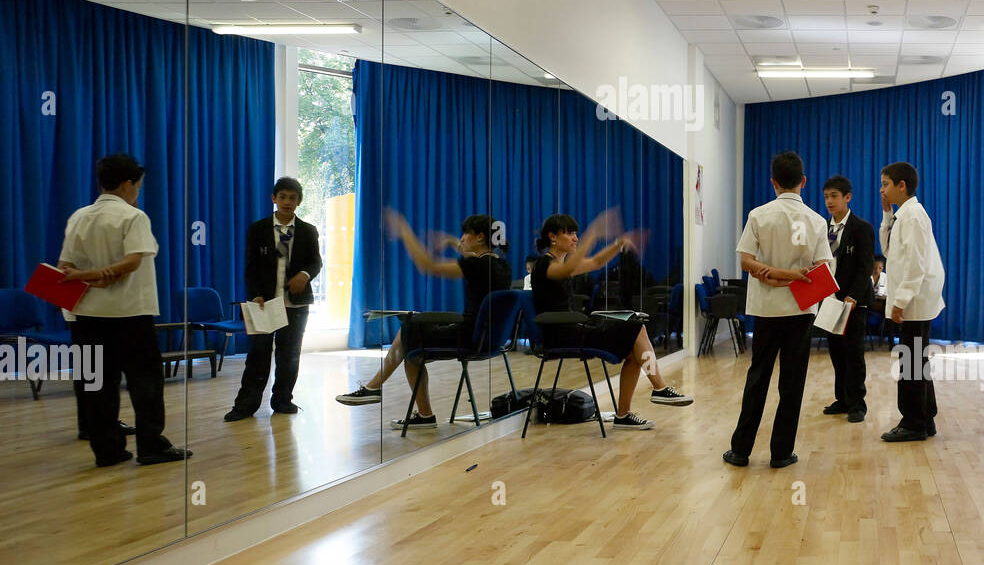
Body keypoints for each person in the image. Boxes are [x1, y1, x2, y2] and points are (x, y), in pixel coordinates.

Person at [57, 153, 190, 467]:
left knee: (96, 385)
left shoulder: (79, 216)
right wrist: (101, 275)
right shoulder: (134, 217)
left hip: (86, 315)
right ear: (129, 184)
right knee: (146, 384)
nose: (138, 192)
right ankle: (150, 446)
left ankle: (108, 451)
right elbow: (132, 262)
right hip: (129, 314)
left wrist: (87, 277)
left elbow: (65, 267)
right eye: (138, 186)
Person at [336, 211, 512, 428]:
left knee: (409, 335)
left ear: (479, 237)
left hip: (470, 338)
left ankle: (382, 392)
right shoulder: (500, 265)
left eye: (465, 234)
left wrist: (405, 232)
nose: (462, 239)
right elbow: (470, 257)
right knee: (412, 335)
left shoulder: (477, 266)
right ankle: (385, 394)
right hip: (490, 339)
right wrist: (450, 242)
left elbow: (428, 265)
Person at [531, 210, 692, 429]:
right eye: (570, 233)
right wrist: (593, 234)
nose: (576, 238)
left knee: (635, 348)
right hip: (561, 334)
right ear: (552, 237)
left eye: (577, 234)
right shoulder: (544, 265)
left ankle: (624, 415)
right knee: (636, 330)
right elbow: (567, 269)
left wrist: (618, 243)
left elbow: (596, 261)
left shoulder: (561, 263)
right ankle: (659, 388)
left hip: (575, 327)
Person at [724, 151, 832, 469]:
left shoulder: (759, 215)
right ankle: (781, 453)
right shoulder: (816, 220)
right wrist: (793, 276)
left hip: (766, 312)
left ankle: (741, 451)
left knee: (757, 378)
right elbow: (824, 270)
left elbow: (746, 262)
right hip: (801, 313)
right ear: (804, 181)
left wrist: (772, 274)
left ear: (773, 182)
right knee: (792, 383)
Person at [225, 177, 321, 421]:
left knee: (289, 355)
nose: (287, 202)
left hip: (295, 304)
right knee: (257, 355)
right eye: (283, 197)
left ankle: (282, 400)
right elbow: (251, 267)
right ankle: (245, 405)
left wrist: (304, 274)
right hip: (264, 303)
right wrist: (255, 293)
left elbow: (315, 262)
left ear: (299, 201)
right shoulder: (258, 229)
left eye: (293, 198)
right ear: (274, 199)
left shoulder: (308, 231)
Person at [879, 161, 946, 442]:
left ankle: (913, 422)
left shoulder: (914, 216)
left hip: (915, 301)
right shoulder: (903, 215)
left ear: (901, 185)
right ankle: (925, 417)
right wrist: (886, 214)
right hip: (914, 299)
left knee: (910, 361)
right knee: (917, 359)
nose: (881, 190)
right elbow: (888, 251)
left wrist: (901, 300)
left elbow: (916, 264)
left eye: (885, 184)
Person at [820, 175, 876, 423]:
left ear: (847, 197)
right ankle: (842, 399)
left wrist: (852, 296)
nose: (829, 202)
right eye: (826, 197)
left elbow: (866, 267)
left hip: (853, 302)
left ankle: (857, 403)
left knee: (853, 353)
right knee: (836, 352)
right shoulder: (823, 228)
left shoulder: (861, 228)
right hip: (830, 301)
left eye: (833, 196)